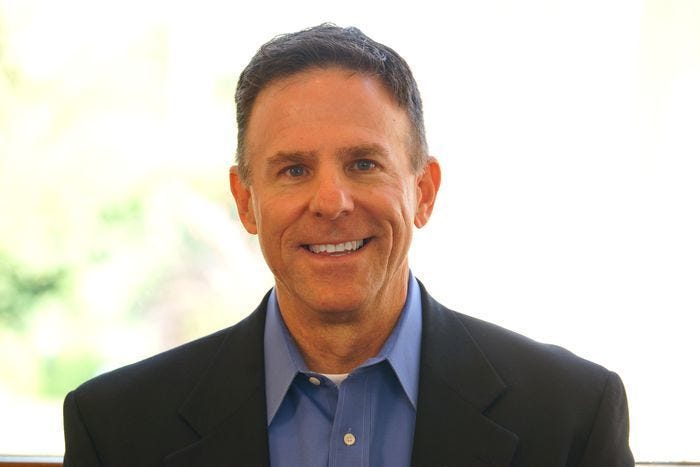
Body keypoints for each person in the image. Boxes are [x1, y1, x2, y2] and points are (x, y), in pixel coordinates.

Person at [62, 24, 634, 467]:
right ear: (246, 202)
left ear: (424, 192)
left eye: (363, 163)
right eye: (293, 169)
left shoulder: (571, 417)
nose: (331, 202)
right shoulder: (116, 429)